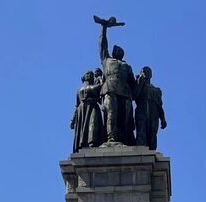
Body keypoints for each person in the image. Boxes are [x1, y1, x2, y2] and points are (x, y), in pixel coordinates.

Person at [96, 16, 137, 144]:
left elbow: (133, 83)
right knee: (111, 115)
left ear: (121, 53)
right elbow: (102, 45)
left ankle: (123, 140)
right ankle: (111, 138)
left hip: (125, 92)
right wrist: (104, 28)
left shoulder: (126, 66)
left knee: (124, 118)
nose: (116, 50)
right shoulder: (107, 60)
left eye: (118, 50)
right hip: (110, 89)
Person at [70, 70, 107, 151]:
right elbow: (76, 106)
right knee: (83, 128)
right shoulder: (79, 90)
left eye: (91, 74)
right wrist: (73, 120)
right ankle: (82, 144)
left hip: (93, 107)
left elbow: (101, 86)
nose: (90, 75)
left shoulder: (95, 87)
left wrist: (100, 77)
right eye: (88, 73)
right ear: (84, 77)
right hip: (82, 110)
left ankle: (92, 143)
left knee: (93, 123)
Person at [134, 66, 166, 149]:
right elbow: (134, 96)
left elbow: (160, 106)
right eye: (143, 71)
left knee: (152, 134)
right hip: (141, 111)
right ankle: (140, 150)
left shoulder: (156, 90)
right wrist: (139, 82)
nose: (145, 72)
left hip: (154, 114)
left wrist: (163, 119)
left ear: (151, 75)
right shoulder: (138, 85)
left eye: (148, 71)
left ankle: (152, 152)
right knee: (141, 131)